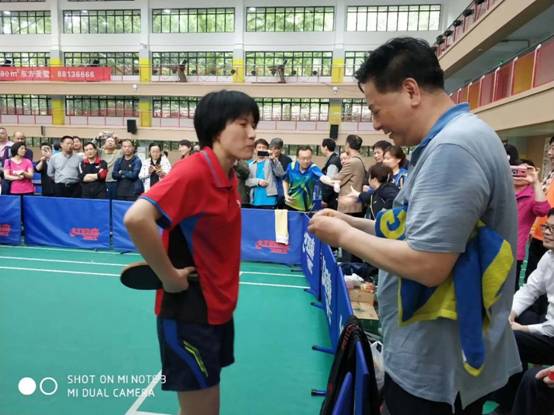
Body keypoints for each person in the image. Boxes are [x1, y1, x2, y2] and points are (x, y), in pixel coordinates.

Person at [308, 37, 520, 415]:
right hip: (429, 356)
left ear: (410, 90)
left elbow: (428, 263)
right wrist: (348, 220)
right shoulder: (453, 140)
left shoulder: (454, 148)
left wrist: (343, 235)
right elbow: (411, 230)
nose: (377, 124)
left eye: (376, 109)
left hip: (436, 367)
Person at [124, 89, 258, 415]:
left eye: (254, 124)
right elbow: (137, 218)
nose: (253, 134)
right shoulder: (193, 171)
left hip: (217, 310)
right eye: (243, 124)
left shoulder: (228, 175)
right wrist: (169, 277)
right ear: (216, 130)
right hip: (189, 313)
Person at [491, 208, 554, 414]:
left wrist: (523, 329)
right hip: (549, 326)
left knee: (513, 340)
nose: (546, 232)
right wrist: (511, 314)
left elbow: (552, 328)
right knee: (507, 325)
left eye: (552, 229)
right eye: (546, 226)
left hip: (551, 332)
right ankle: (507, 402)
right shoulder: (548, 257)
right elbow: (529, 289)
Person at [511, 160, 550, 289]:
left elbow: (543, 210)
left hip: (514, 252)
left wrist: (535, 181)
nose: (520, 174)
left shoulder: (533, 196)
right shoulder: (500, 190)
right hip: (488, 247)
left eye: (525, 171)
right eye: (516, 170)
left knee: (509, 290)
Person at [525, 137, 554, 282]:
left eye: (553, 148)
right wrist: (533, 228)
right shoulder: (550, 175)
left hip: (550, 239)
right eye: (550, 148)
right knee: (532, 282)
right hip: (539, 237)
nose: (549, 153)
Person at [283, 146, 333, 212]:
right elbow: (285, 180)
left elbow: (323, 178)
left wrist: (333, 182)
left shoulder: (313, 168)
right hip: (290, 205)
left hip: (306, 208)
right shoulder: (291, 166)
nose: (306, 161)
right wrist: (286, 194)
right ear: (297, 158)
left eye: (308, 158)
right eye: (303, 158)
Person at [246, 138, 284, 209]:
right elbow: (247, 181)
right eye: (259, 147)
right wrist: (258, 182)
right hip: (255, 200)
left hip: (270, 200)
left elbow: (280, 174)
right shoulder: (250, 165)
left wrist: (274, 159)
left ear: (267, 150)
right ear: (255, 150)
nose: (261, 149)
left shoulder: (271, 161)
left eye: (264, 148)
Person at [269, 137, 292, 208]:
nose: (274, 151)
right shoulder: (266, 158)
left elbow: (284, 175)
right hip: (269, 190)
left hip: (282, 191)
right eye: (272, 148)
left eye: (277, 148)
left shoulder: (287, 160)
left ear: (281, 149)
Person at [321, 138, 341, 210]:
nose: (321, 148)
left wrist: (325, 199)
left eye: (321, 146)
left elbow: (329, 183)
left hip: (332, 200)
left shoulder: (333, 162)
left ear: (325, 147)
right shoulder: (334, 159)